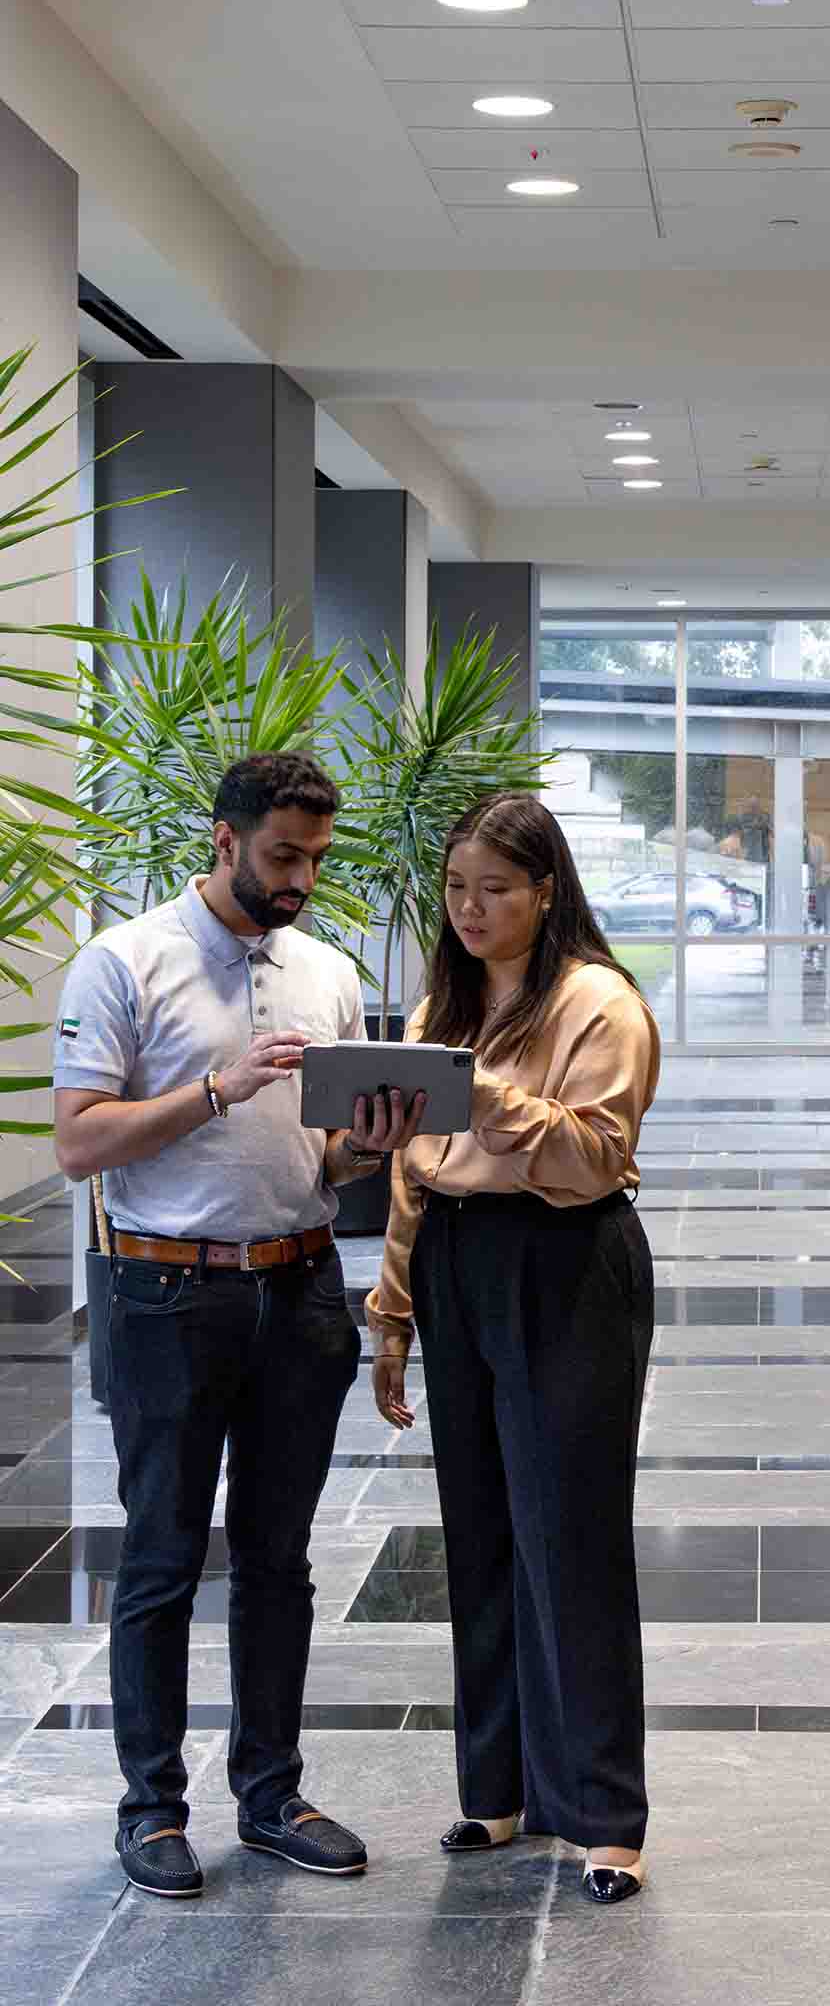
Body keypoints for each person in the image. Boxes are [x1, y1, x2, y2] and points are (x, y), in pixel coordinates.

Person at [52, 753, 425, 1899]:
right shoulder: (126, 961)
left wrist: (371, 1140)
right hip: (167, 1295)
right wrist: (217, 1087)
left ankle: (270, 1794)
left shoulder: (324, 971)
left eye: (316, 856)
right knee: (164, 1558)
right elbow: (79, 1144)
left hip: (299, 1286)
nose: (302, 877)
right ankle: (152, 1809)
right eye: (282, 856)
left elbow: (322, 1156)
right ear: (224, 839)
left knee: (279, 1561)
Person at [367, 793, 660, 1904]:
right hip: (452, 1258)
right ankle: (496, 1788)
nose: (472, 908)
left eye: (496, 888)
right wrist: (392, 1311)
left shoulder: (598, 1001)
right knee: (480, 1532)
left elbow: (595, 1157)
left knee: (569, 1534)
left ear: (546, 889)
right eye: (456, 889)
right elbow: (411, 1172)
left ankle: (602, 1813)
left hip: (563, 1261)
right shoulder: (443, 996)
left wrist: (482, 1093)